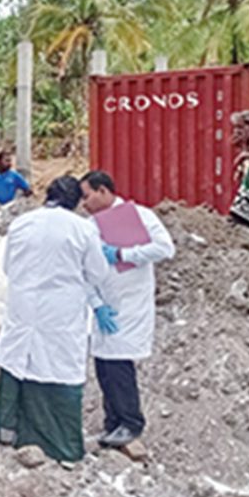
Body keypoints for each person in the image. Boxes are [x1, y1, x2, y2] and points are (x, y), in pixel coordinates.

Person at [0, 175, 115, 463]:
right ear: (75, 201)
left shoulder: (21, 223)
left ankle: (10, 433)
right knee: (58, 371)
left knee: (18, 362)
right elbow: (97, 274)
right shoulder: (82, 230)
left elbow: (8, 266)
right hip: (61, 313)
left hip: (22, 309)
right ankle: (62, 447)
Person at [80, 170, 175, 448]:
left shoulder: (141, 216)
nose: (84, 203)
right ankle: (112, 422)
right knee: (103, 365)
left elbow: (165, 248)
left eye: (87, 196)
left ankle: (131, 423)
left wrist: (124, 254)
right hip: (103, 303)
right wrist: (96, 304)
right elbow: (83, 266)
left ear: (104, 191)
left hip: (131, 301)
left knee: (119, 363)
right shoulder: (89, 225)